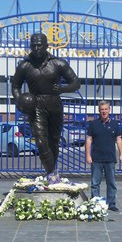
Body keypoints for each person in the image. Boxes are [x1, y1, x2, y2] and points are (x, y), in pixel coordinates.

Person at [11, 33, 80, 183]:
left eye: (39, 45)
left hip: (54, 104)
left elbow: (75, 82)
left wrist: (63, 89)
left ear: (47, 45)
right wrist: (20, 101)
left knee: (54, 141)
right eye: (33, 45)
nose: (36, 48)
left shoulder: (58, 63)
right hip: (35, 106)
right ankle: (52, 176)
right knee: (41, 142)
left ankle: (52, 170)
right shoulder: (25, 65)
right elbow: (15, 86)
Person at [85, 100, 122, 212]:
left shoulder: (115, 124)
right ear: (99, 111)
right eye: (102, 109)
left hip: (110, 159)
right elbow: (88, 140)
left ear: (109, 110)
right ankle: (95, 203)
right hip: (96, 159)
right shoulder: (93, 124)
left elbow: (119, 139)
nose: (104, 111)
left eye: (106, 109)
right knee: (95, 183)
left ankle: (111, 203)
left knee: (111, 183)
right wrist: (88, 155)